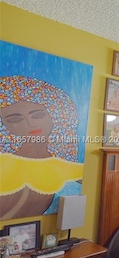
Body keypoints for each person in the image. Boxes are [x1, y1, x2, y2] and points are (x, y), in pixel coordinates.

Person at [0, 76, 83, 219]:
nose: (30, 124)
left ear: (54, 115)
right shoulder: (5, 163)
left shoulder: (71, 168)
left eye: (38, 115)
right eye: (15, 119)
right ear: (4, 125)